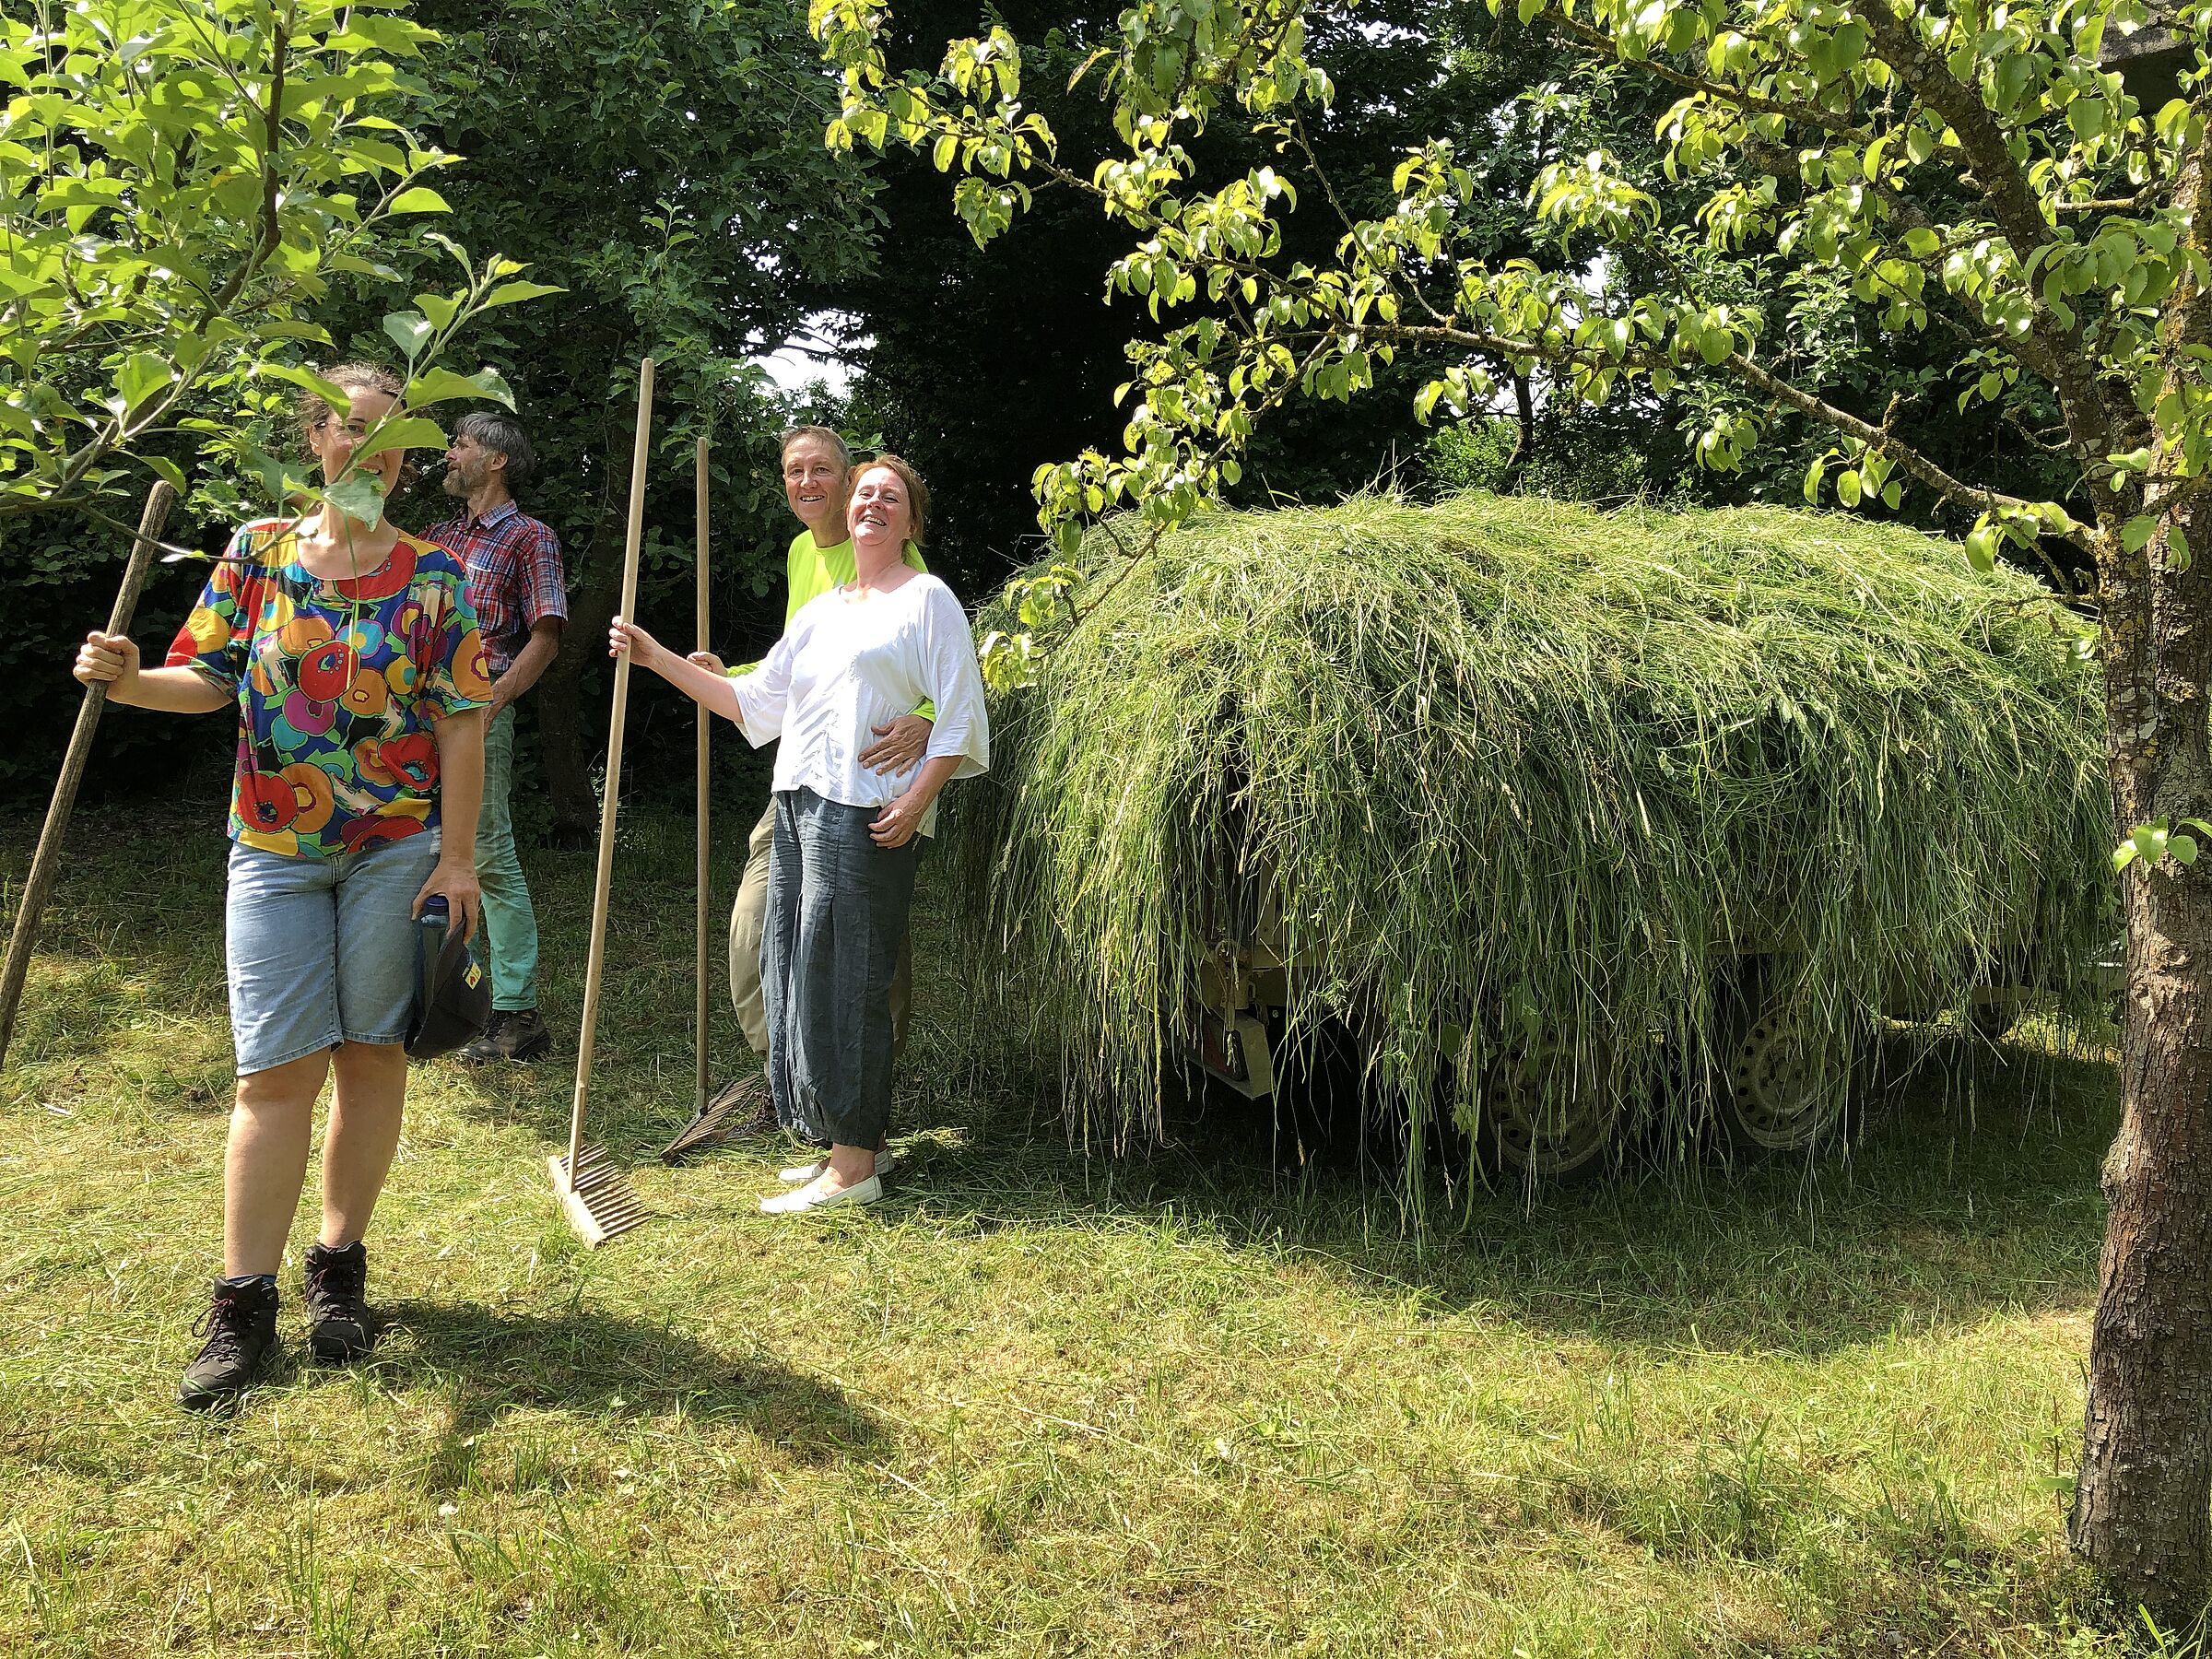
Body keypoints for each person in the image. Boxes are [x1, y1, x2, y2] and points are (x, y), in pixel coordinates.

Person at [73, 363, 491, 1408]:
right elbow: (204, 682)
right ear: (315, 438)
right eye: (349, 429)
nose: (369, 450)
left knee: (368, 1062)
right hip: (272, 851)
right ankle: (242, 1303)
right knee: (274, 1075)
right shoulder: (256, 555)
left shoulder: (438, 576)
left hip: (396, 848)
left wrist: (458, 856)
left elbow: (462, 722)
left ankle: (338, 1271)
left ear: (408, 455)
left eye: (391, 435)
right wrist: (126, 681)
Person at [611, 455, 988, 1213]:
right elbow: (756, 703)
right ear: (849, 511)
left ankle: (854, 1170)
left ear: (911, 521)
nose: (873, 503)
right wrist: (654, 658)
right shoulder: (824, 610)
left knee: (850, 975)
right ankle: (856, 1138)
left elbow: (959, 713)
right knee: (796, 966)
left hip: (865, 812)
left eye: (892, 496)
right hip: (797, 802)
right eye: (867, 494)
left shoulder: (927, 600)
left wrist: (917, 800)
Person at [667, 427, 934, 1153]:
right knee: (763, 925)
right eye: (794, 471)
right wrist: (735, 675)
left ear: (851, 483)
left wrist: (923, 719)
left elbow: (931, 666)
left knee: (865, 946)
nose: (808, 483)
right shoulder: (800, 555)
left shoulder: (882, 544)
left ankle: (862, 1097)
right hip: (802, 780)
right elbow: (807, 664)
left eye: (823, 470)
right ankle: (793, 1075)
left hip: (868, 783)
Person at [426, 412, 566, 1063]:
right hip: (414, 719)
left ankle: (516, 1013)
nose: (449, 454)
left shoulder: (528, 537)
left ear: (498, 459)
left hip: (478, 714)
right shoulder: (436, 537)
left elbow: (545, 635)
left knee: (486, 856)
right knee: (429, 855)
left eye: (461, 444)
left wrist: (494, 699)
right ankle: (459, 1002)